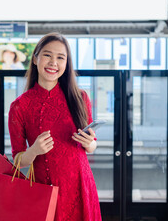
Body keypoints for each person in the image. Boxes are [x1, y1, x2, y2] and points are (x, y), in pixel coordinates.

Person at [8, 32, 102, 221]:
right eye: (47, 55)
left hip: (81, 187)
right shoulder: (20, 106)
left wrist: (89, 143)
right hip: (45, 190)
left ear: (66, 64)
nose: (53, 63)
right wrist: (34, 150)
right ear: (35, 59)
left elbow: (92, 147)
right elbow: (18, 160)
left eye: (61, 57)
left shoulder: (80, 98)